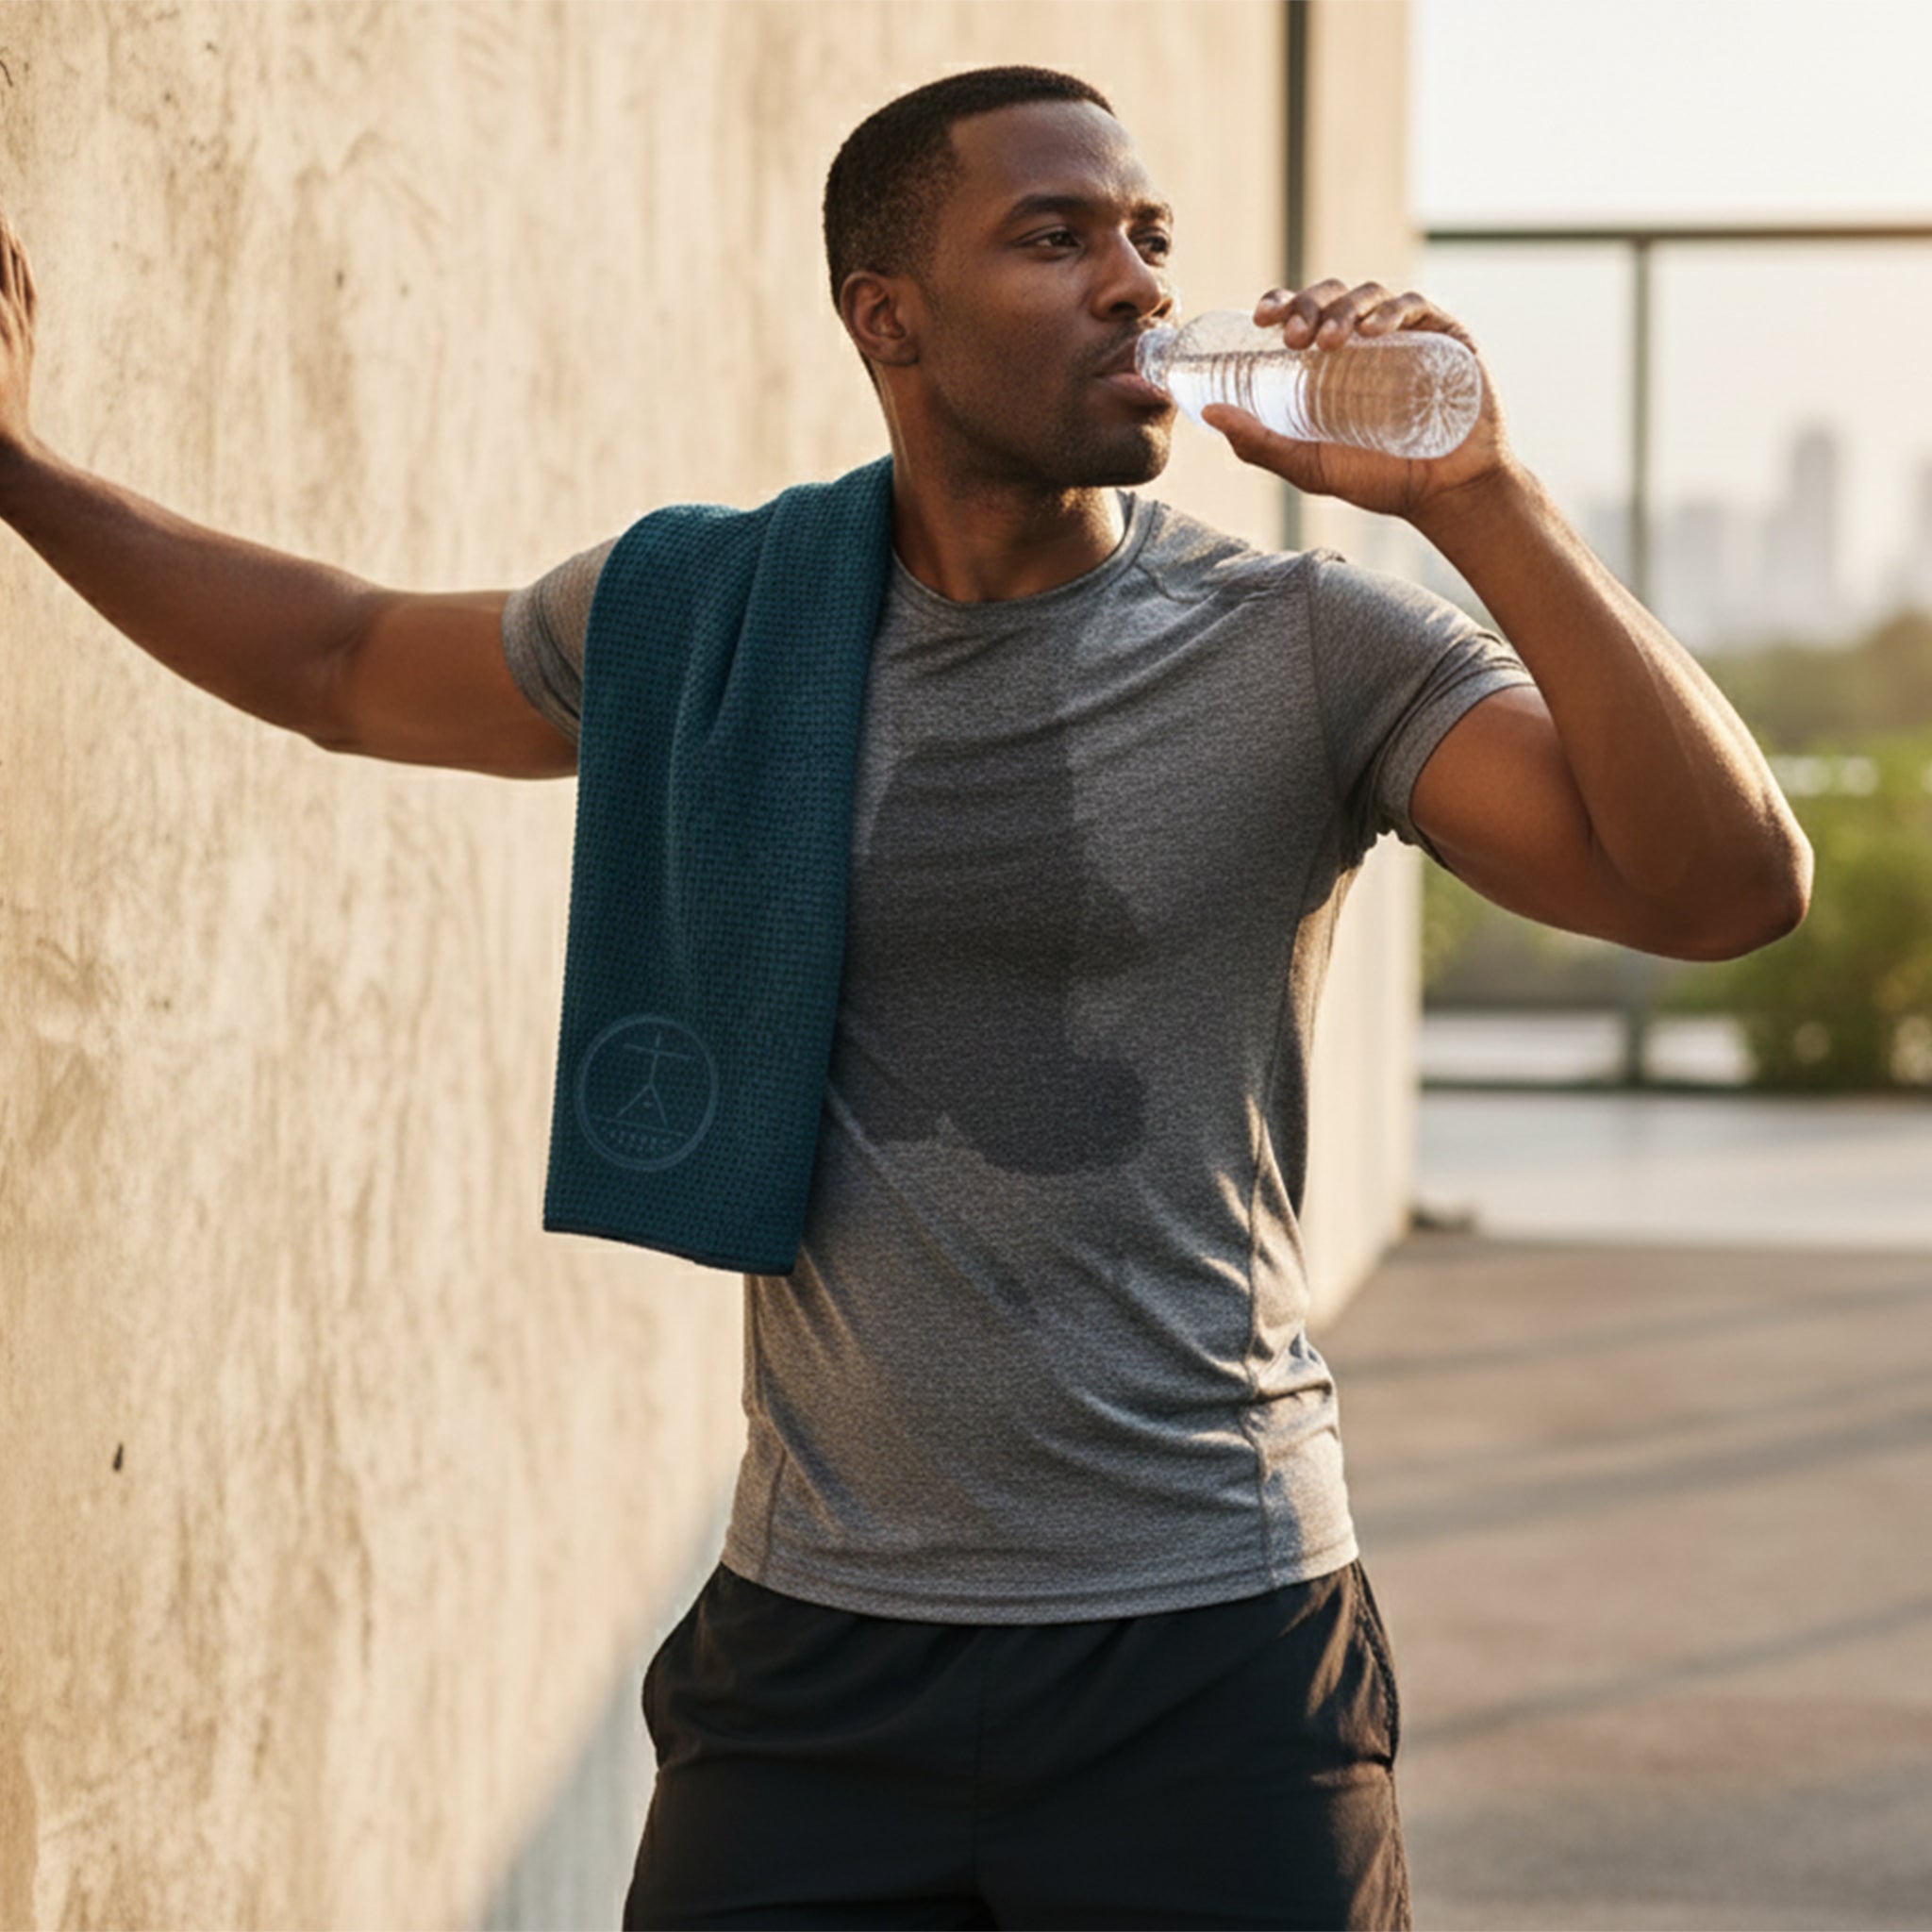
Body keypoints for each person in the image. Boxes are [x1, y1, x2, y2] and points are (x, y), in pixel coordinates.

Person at [0, 61, 1808, 1932]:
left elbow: (1727, 887)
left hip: (1208, 1646)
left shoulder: (1303, 646)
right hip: (817, 1659)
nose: (1134, 280)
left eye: (1149, 235)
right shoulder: (712, 620)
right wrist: (24, 474)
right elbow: (341, 658)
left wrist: (1482, 497)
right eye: (1055, 236)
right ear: (890, 319)